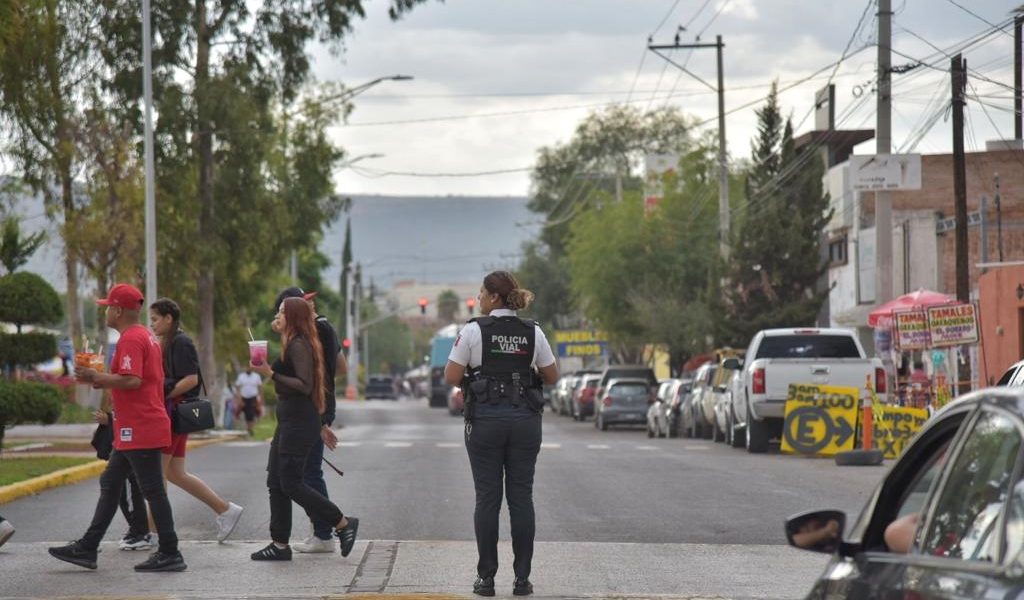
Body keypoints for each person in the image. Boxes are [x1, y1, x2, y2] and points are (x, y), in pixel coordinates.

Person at [49, 283, 185, 572]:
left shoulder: (131, 339)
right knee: (111, 483)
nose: (106, 312)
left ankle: (171, 551)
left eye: (108, 307)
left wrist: (96, 376)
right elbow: (134, 379)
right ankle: (87, 547)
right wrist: (101, 378)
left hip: (141, 426)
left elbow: (132, 380)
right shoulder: (143, 336)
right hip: (134, 427)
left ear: (119, 310)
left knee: (153, 490)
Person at [444, 271, 559, 597]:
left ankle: (487, 579)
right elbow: (551, 375)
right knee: (521, 498)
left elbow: (452, 375)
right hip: (525, 421)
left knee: (488, 499)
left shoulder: (473, 331)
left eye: (481, 292)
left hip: (485, 422)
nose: (478, 298)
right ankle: (522, 580)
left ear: (494, 297)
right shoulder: (532, 331)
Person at [248, 297, 357, 561]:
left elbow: (304, 386)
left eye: (282, 312)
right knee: (275, 481)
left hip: (298, 423)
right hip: (289, 421)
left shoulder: (299, 344)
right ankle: (279, 544)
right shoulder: (292, 342)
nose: (278, 315)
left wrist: (270, 373)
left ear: (294, 316)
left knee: (291, 483)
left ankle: (342, 523)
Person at [148, 298, 244, 542]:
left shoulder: (180, 342)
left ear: (169, 318)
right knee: (176, 474)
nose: (152, 325)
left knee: (156, 474)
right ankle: (225, 510)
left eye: (156, 319)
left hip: (173, 413)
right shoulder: (169, 341)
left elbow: (191, 379)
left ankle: (152, 532)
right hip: (176, 414)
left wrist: (163, 396)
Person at [272, 287, 346, 554]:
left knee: (308, 473)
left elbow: (315, 378)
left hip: (314, 407)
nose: (310, 306)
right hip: (314, 408)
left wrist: (322, 420)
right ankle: (325, 530)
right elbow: (341, 367)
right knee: (303, 473)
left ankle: (326, 532)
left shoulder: (315, 332)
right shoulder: (311, 331)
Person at [91, 409, 152, 550]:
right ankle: (138, 531)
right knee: (122, 487)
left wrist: (110, 420)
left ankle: (140, 532)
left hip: (131, 436)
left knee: (129, 488)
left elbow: (134, 410)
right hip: (127, 435)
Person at [234, 366, 264, 437]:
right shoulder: (241, 376)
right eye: (247, 367)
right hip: (244, 398)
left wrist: (261, 399)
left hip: (253, 398)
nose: (248, 369)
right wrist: (239, 399)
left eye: (249, 367)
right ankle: (248, 428)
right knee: (243, 413)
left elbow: (260, 388)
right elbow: (237, 388)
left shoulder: (256, 376)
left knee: (252, 413)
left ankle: (250, 429)